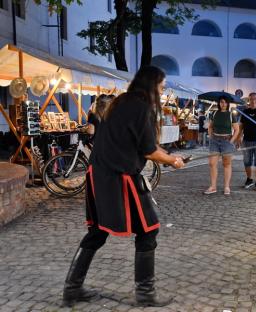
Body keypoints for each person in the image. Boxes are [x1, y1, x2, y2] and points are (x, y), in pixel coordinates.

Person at [61, 66, 185, 307]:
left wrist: (168, 155)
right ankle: (145, 294)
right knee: (148, 230)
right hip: (118, 176)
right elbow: (148, 151)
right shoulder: (141, 107)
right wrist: (172, 160)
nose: (162, 90)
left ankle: (71, 289)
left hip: (100, 172)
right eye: (161, 85)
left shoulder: (121, 102)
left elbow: (141, 145)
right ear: (150, 84)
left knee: (97, 232)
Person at [204, 96, 240, 195]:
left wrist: (231, 141)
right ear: (218, 103)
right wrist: (211, 136)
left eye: (224, 102)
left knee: (226, 164)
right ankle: (213, 186)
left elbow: (237, 130)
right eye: (221, 102)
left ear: (228, 103)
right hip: (215, 140)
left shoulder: (231, 115)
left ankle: (226, 186)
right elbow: (210, 127)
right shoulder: (214, 113)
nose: (223, 104)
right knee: (212, 163)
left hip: (226, 141)